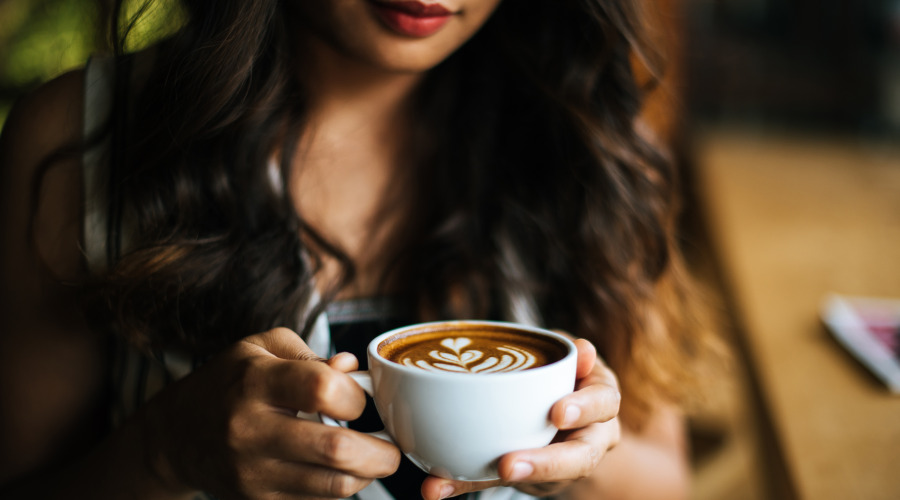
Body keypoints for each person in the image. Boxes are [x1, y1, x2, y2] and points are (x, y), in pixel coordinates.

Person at [0, 0, 715, 498]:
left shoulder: (589, 146)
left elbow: (665, 480)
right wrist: (162, 450)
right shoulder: (82, 140)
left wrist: (572, 462)